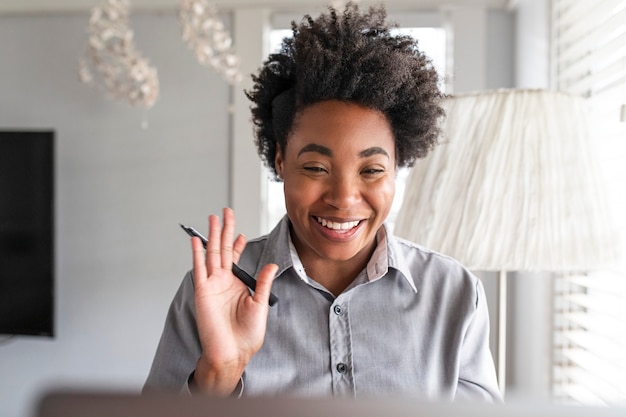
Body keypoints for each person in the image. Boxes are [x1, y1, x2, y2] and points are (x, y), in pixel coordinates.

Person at [144, 2, 501, 402]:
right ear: (281, 160)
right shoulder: (212, 290)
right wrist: (218, 374)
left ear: (397, 166)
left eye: (371, 170)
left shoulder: (452, 291)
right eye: (316, 167)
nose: (344, 199)